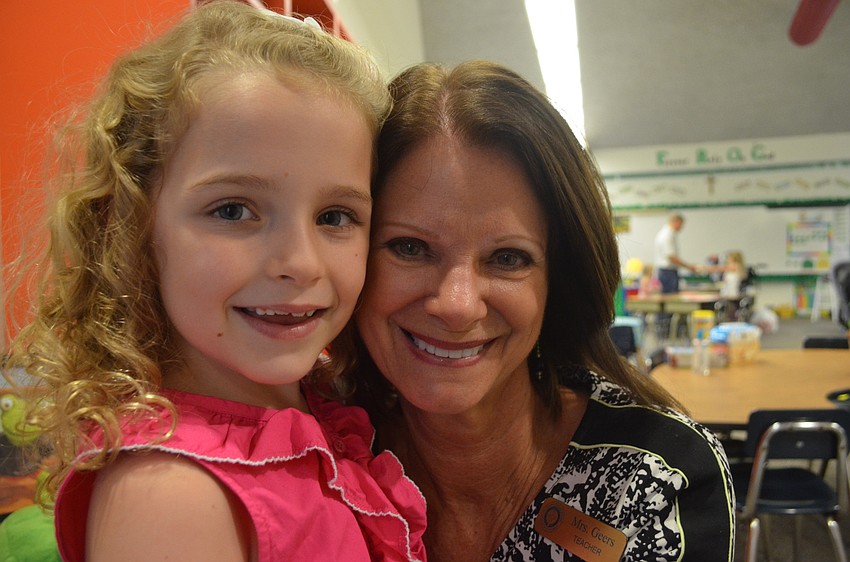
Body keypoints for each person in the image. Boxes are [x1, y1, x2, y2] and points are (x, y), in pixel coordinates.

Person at [3, 3, 425, 561]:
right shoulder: (169, 497)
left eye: (334, 216)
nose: (301, 262)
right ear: (132, 225)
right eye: (232, 210)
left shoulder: (319, 406)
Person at [354, 60, 735, 561]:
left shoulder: (656, 478)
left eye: (508, 258)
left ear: (558, 280)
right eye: (409, 248)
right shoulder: (309, 452)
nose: (457, 306)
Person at [653, 213, 698, 294]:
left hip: (668, 271)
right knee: (671, 297)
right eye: (681, 225)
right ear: (676, 222)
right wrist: (688, 267)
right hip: (667, 272)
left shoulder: (668, 234)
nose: (681, 228)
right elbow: (671, 257)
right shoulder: (667, 235)